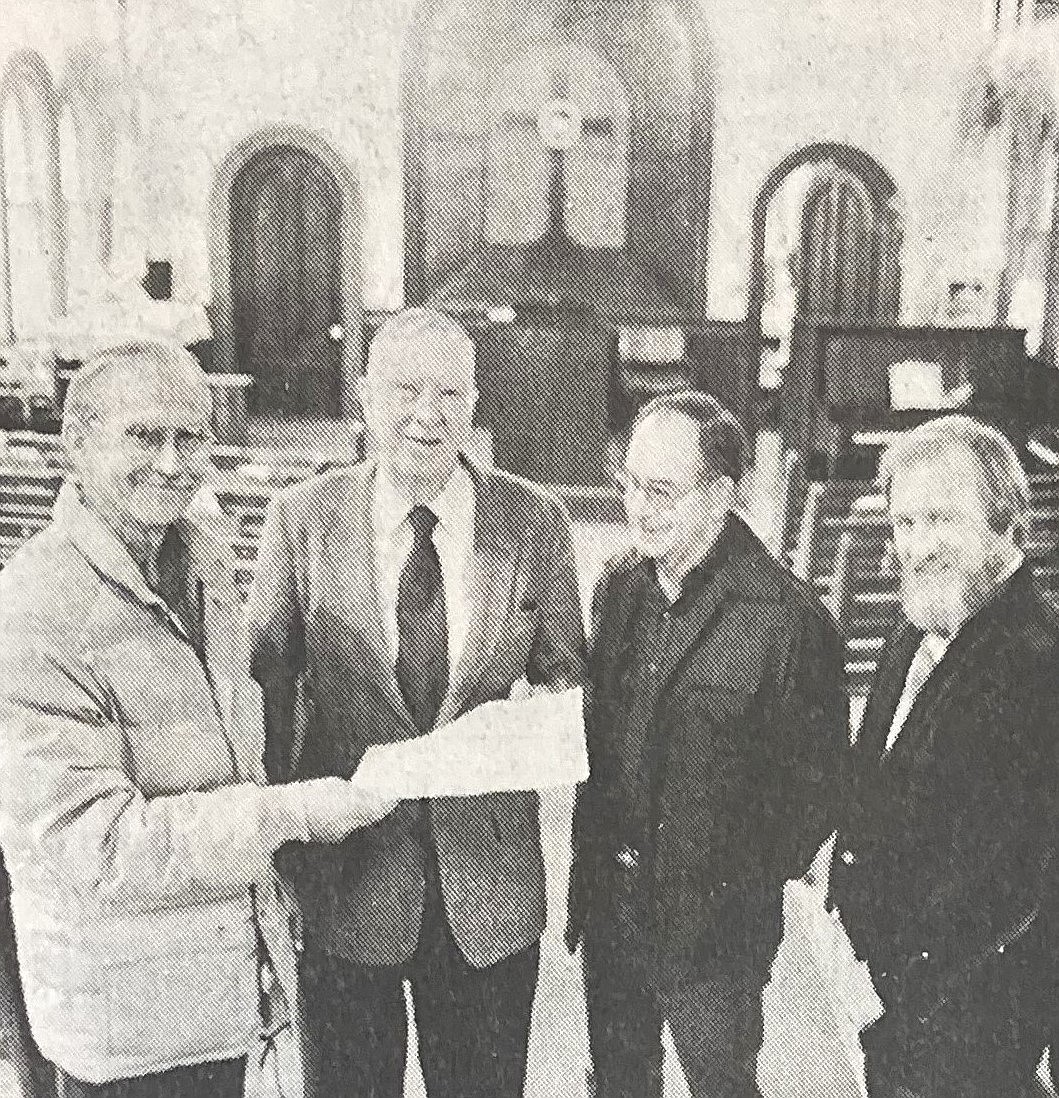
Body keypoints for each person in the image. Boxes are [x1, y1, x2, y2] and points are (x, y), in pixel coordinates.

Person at [0, 340, 396, 1098]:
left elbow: (229, 753)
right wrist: (293, 813)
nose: (174, 463)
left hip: (208, 993)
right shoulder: (33, 609)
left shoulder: (202, 562)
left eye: (192, 437)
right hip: (123, 1022)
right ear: (75, 445)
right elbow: (98, 844)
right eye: (144, 436)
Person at [247, 307, 586, 1098]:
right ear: (364, 397)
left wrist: (526, 725)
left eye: (451, 394)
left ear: (474, 404)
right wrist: (276, 847)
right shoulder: (301, 520)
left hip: (488, 887)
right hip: (344, 879)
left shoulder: (534, 522)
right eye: (405, 389)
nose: (428, 415)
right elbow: (264, 690)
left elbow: (569, 678)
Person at [566, 390, 848, 1098]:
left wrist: (733, 882)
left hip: (712, 934)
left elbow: (815, 794)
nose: (636, 508)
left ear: (722, 493)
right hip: (613, 907)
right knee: (618, 1083)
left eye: (661, 491)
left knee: (720, 1085)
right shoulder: (619, 586)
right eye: (627, 483)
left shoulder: (787, 621)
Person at [830, 415, 1059, 1098]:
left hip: (963, 1017)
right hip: (894, 1001)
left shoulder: (1034, 664)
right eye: (904, 524)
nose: (918, 546)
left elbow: (1002, 885)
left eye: (941, 520)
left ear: (1006, 527)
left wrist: (889, 990)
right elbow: (876, 786)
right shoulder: (918, 625)